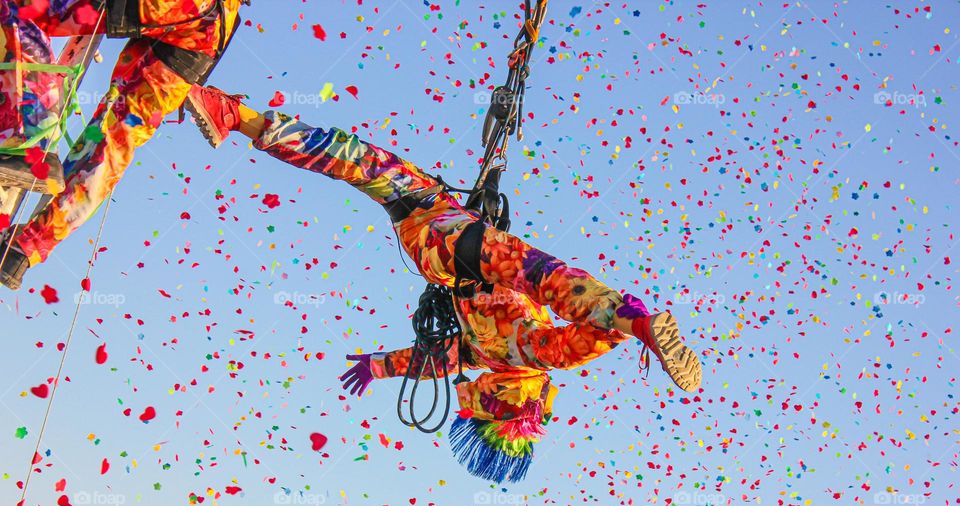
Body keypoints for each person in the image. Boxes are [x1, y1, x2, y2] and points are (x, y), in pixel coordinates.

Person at [183, 85, 703, 482]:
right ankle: (237, 116)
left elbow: (436, 360)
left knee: (534, 273)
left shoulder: (494, 358)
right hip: (443, 228)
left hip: (453, 247)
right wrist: (628, 327)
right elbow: (553, 338)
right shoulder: (525, 358)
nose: (471, 400)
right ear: (500, 407)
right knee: (356, 162)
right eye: (481, 408)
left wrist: (379, 365)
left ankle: (636, 316)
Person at [0, 0, 246, 290]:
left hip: (190, 14)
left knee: (25, 9)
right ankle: (27, 248)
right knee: (116, 144)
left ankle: (29, 131)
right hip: (205, 32)